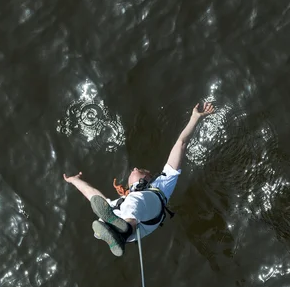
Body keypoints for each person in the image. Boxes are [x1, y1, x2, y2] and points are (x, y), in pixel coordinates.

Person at [64, 101, 215, 256]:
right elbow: (94, 196)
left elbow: (181, 144)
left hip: (140, 221)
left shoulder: (160, 183)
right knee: (124, 205)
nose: (135, 169)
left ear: (149, 177)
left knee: (120, 207)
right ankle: (120, 231)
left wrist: (195, 117)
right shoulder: (142, 193)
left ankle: (118, 231)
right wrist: (75, 180)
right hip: (140, 223)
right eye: (136, 169)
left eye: (140, 170)